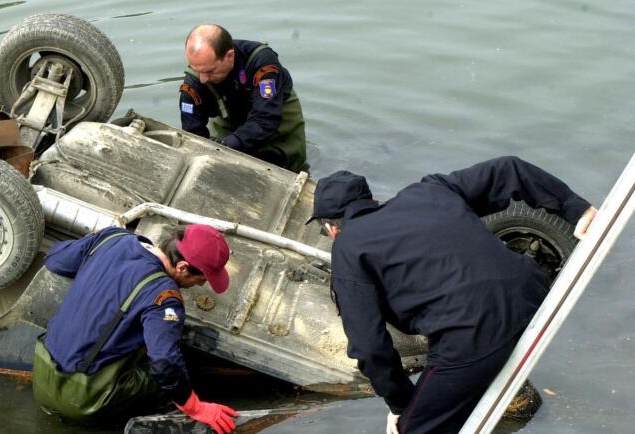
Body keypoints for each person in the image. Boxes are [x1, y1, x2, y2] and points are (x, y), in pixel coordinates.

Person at [306, 156, 598, 434]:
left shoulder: (348, 249)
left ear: (332, 228)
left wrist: (401, 405)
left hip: (473, 333)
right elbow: (508, 169)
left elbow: (369, 346)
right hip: (532, 292)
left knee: (414, 428)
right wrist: (577, 209)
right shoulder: (428, 190)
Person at [32, 224, 239, 434]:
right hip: (84, 398)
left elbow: (55, 259)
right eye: (200, 279)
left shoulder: (111, 237)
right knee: (184, 368)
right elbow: (165, 361)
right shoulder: (165, 298)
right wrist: (195, 407)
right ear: (182, 267)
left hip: (41, 373)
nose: (200, 285)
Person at [180, 24, 309, 173]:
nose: (203, 79)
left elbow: (266, 118)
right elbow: (193, 133)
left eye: (210, 71)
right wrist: (214, 150)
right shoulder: (194, 83)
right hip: (229, 118)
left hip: (276, 115)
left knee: (291, 168)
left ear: (230, 56)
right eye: (197, 70)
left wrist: (229, 144)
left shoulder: (263, 63)